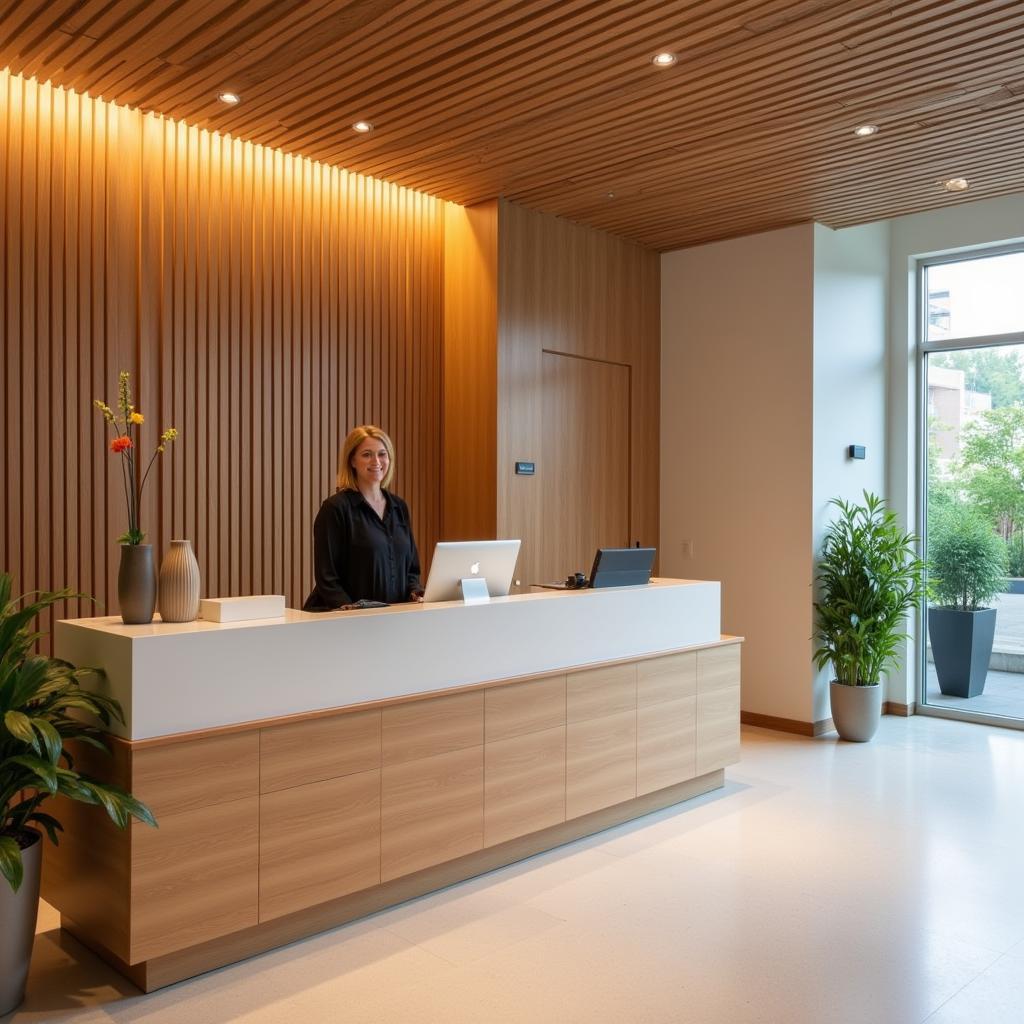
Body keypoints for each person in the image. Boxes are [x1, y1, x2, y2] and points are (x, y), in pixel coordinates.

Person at [303, 425, 422, 611]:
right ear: (352, 461)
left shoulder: (400, 507)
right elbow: (327, 577)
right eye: (367, 454)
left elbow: (412, 570)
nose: (376, 461)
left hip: (393, 619)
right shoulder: (335, 509)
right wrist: (352, 611)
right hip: (344, 622)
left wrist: (416, 593)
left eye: (382, 454)